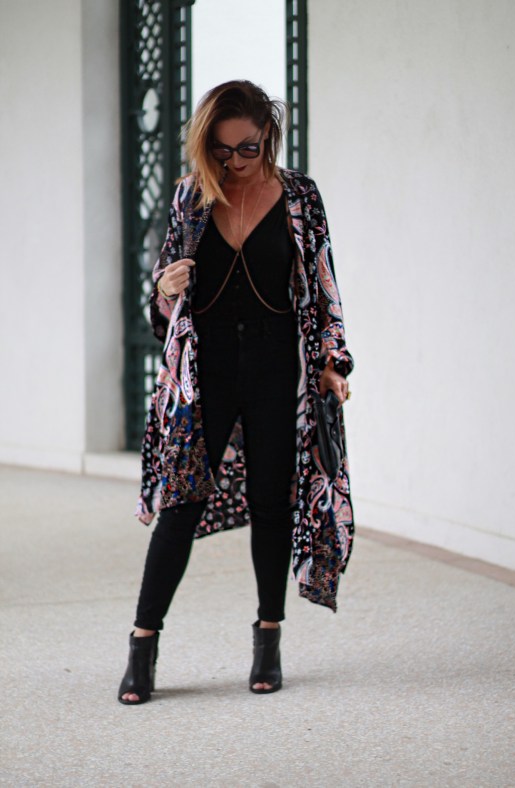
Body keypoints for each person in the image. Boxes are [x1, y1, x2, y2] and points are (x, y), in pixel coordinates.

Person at [118, 80, 355, 705]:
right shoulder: (190, 197)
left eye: (247, 148)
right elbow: (163, 310)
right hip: (208, 371)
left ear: (268, 136)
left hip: (279, 367)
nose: (235, 161)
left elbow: (323, 286)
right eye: (221, 151)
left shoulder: (300, 197)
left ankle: (268, 639)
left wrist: (333, 363)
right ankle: (142, 646)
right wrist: (164, 290)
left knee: (272, 503)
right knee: (180, 504)